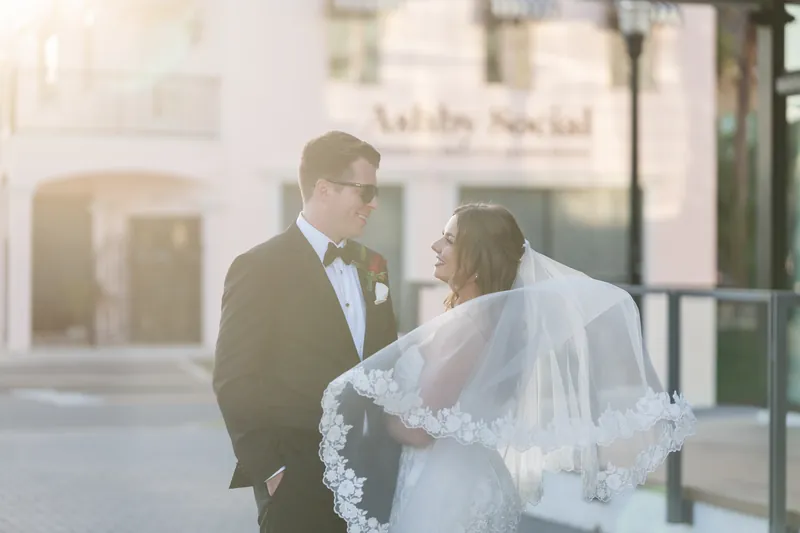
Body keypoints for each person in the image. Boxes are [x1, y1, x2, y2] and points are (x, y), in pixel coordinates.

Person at [319, 203, 697, 533]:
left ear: (479, 257)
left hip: (445, 489)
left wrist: (370, 407)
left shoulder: (470, 329)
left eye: (449, 240)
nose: (436, 247)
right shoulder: (489, 321)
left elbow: (419, 431)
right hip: (463, 476)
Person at [213, 131, 401, 533]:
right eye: (364, 190)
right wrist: (271, 471)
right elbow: (234, 379)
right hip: (296, 478)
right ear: (324, 190)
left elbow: (388, 360)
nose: (373, 202)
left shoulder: (374, 266)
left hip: (370, 474)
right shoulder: (260, 266)